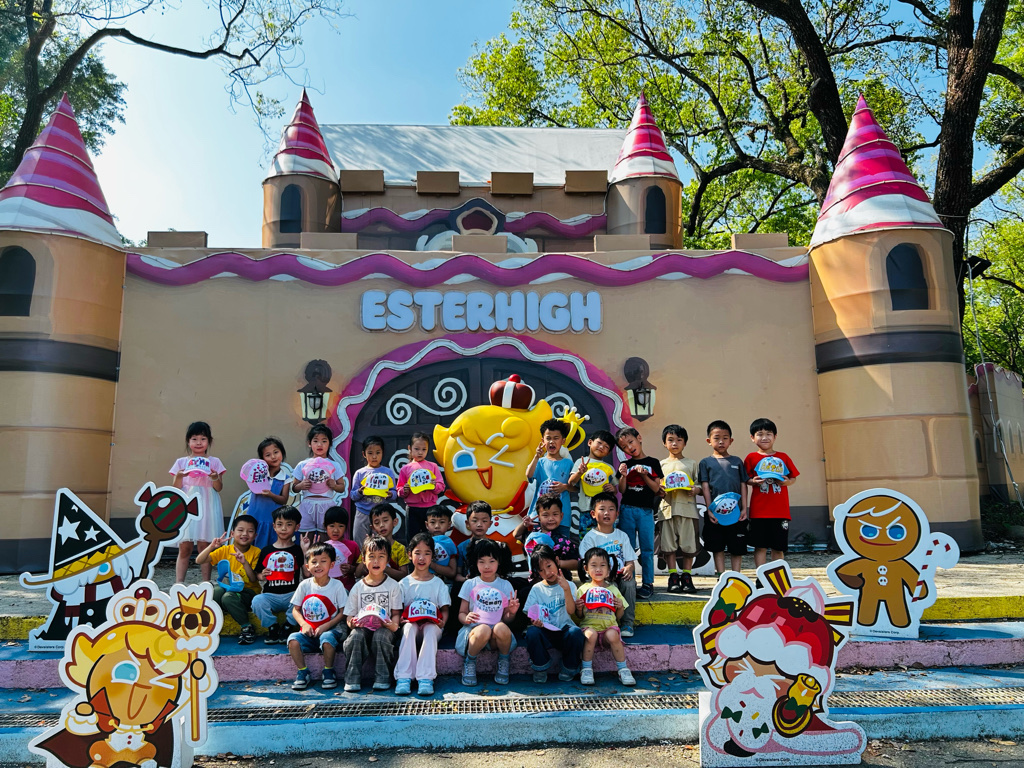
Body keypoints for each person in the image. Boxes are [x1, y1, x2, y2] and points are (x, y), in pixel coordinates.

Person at [342, 534, 403, 692]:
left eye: (381, 556)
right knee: (355, 637)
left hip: (385, 628)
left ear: (387, 559)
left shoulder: (393, 586)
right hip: (363, 628)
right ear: (363, 559)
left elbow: (396, 612)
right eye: (371, 556)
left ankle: (383, 677)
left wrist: (393, 625)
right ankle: (352, 678)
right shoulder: (358, 587)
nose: (376, 561)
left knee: (381, 636)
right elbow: (350, 615)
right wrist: (351, 623)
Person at [457, 538, 519, 687]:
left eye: (491, 561)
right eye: (482, 561)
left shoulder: (505, 585)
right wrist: (466, 618)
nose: (487, 566)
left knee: (501, 627)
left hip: (495, 637)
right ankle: (470, 661)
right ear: (476, 563)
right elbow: (461, 613)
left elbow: (507, 619)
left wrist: (511, 612)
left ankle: (504, 661)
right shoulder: (470, 584)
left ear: (498, 562)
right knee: (483, 629)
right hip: (475, 632)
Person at [169, 421, 227, 583]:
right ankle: (179, 583)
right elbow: (175, 488)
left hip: (208, 504)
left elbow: (218, 488)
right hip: (186, 504)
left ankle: (206, 583)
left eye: (203, 438)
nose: (199, 442)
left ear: (209, 441)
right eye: (194, 439)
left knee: (205, 545)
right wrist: (179, 476)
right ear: (188, 441)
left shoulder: (215, 462)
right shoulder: (181, 462)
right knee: (184, 546)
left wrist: (214, 477)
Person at [287, 543, 349, 691]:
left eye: (323, 561)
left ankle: (328, 670)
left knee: (327, 638)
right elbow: (295, 610)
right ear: (307, 566)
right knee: (293, 640)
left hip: (331, 630)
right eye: (314, 562)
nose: (318, 565)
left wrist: (326, 626)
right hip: (309, 632)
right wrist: (304, 624)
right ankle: (303, 671)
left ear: (332, 564)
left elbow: (343, 612)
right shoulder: (304, 585)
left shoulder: (337, 585)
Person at [395, 533, 451, 697]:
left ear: (432, 557)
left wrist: (442, 622)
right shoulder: (404, 583)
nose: (421, 558)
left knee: (430, 629)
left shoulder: (438, 583)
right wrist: (401, 620)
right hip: (411, 626)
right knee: (409, 628)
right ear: (409, 555)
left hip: (432, 627)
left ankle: (426, 678)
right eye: (417, 553)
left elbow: (445, 609)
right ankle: (404, 677)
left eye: (427, 553)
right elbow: (397, 610)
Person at [579, 493, 639, 637]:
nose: (607, 513)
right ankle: (611, 622)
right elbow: (587, 564)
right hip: (600, 578)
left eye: (611, 509)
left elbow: (630, 560)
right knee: (611, 587)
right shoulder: (590, 538)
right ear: (593, 514)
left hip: (619, 575)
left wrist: (629, 568)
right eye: (602, 509)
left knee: (629, 583)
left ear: (617, 514)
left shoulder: (622, 536)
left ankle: (627, 623)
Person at [523, 544, 584, 683]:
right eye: (541, 570)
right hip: (545, 631)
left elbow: (571, 611)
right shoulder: (537, 589)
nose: (547, 572)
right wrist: (535, 621)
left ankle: (569, 667)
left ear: (556, 561)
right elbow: (531, 614)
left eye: (549, 566)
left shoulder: (570, 585)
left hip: (564, 630)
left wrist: (566, 590)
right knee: (532, 633)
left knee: (576, 633)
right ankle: (540, 667)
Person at [196, 515, 261, 644]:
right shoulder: (225, 550)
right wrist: (212, 546)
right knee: (215, 591)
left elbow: (253, 579)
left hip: (248, 592)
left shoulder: (256, 552)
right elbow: (199, 560)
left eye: (250, 531)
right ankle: (208, 624)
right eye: (240, 530)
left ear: (255, 535)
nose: (245, 534)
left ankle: (247, 627)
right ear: (232, 533)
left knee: (228, 597)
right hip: (228, 589)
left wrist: (244, 562)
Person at [576, 547, 635, 686]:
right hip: (589, 628)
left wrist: (620, 606)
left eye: (602, 565)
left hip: (609, 628)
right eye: (594, 565)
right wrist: (578, 608)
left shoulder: (613, 589)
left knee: (613, 635)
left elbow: (618, 616)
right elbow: (579, 616)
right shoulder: (583, 589)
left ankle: (623, 669)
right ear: (586, 568)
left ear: (608, 569)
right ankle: (586, 669)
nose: (598, 569)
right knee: (590, 635)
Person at [744, 418, 800, 567]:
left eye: (768, 434)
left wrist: (787, 482)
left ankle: (778, 576)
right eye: (760, 434)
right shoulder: (751, 458)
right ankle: (761, 576)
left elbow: (793, 477)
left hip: (780, 511)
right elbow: (745, 479)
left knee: (778, 547)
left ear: (775, 437)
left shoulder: (783, 457)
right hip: (758, 512)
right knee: (760, 546)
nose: (764, 437)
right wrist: (753, 481)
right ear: (752, 437)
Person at [616, 427, 663, 599]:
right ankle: (627, 582)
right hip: (627, 510)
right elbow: (622, 490)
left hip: (646, 511)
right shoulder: (625, 465)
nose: (629, 447)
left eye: (631, 442)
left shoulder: (653, 462)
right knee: (626, 548)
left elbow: (656, 488)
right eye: (624, 447)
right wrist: (623, 475)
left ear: (639, 438)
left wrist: (644, 476)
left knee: (647, 548)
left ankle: (648, 583)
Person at [699, 420, 750, 575]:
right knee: (717, 547)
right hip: (715, 514)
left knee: (737, 547)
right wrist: (709, 510)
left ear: (731, 441)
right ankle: (721, 576)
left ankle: (736, 576)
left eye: (725, 438)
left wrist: (744, 508)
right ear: (708, 441)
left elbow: (743, 484)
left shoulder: (737, 461)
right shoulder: (705, 462)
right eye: (716, 438)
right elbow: (705, 487)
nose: (721, 441)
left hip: (736, 514)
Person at [251, 505, 306, 644]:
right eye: (280, 524)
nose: (284, 528)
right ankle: (272, 626)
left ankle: (288, 626)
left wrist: (305, 552)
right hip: (270, 595)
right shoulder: (266, 550)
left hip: (292, 595)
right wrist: (262, 575)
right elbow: (258, 575)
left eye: (289, 524)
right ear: (274, 526)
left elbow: (306, 575)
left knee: (305, 599)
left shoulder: (298, 550)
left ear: (297, 527)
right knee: (257, 601)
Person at [659, 425, 701, 593]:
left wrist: (695, 490)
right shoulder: (661, 464)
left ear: (685, 443)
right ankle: (673, 576)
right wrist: (660, 489)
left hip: (687, 510)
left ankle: (687, 576)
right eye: (670, 440)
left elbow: (698, 484)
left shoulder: (691, 463)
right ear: (664, 443)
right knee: (668, 545)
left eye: (679, 440)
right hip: (667, 510)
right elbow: (657, 485)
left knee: (688, 545)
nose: (674, 443)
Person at [291, 424, 346, 542]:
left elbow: (342, 487)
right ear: (309, 443)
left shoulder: (334, 465)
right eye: (315, 441)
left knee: (325, 537)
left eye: (324, 441)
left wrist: (334, 486)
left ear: (330, 444)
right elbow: (294, 487)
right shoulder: (302, 464)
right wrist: (301, 486)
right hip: (307, 504)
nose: (319, 445)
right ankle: (306, 554)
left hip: (327, 504)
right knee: (306, 537)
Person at [525, 418, 574, 537]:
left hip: (562, 518)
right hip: (539, 516)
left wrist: (564, 487)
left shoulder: (568, 463)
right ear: (543, 441)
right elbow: (529, 475)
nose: (552, 442)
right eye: (548, 438)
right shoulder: (539, 462)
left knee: (562, 546)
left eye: (556, 438)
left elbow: (576, 487)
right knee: (539, 544)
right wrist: (536, 456)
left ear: (563, 441)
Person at [514, 493, 578, 580]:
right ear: (539, 517)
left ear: (561, 516)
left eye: (555, 514)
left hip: (560, 582)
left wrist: (559, 563)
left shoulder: (564, 541)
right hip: (537, 582)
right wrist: (524, 524)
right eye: (545, 515)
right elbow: (516, 535)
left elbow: (576, 563)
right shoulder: (533, 536)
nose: (551, 518)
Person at [396, 432, 445, 545]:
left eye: (424, 449)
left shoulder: (433, 466)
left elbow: (441, 486)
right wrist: (405, 490)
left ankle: (431, 555)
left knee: (431, 538)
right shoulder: (405, 469)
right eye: (417, 449)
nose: (420, 452)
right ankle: (413, 556)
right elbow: (399, 490)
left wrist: (434, 486)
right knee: (412, 538)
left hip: (430, 508)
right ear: (409, 448)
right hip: (412, 509)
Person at [568, 429, 619, 538]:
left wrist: (612, 489)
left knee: (606, 540)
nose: (601, 447)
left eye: (606, 447)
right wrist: (579, 472)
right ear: (590, 442)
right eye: (599, 443)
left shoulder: (609, 468)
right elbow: (571, 482)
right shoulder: (580, 462)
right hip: (586, 511)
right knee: (586, 540)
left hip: (605, 513)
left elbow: (615, 489)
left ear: (609, 453)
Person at [349, 436, 399, 544]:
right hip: (362, 512)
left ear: (383, 453)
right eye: (370, 453)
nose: (374, 456)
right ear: (364, 454)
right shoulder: (360, 473)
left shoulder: (388, 472)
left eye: (378, 452)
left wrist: (391, 494)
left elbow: (395, 493)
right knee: (360, 542)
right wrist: (360, 492)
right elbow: (352, 496)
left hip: (381, 515)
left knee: (380, 544)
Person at [247, 436, 292, 551]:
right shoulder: (258, 475)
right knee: (251, 548)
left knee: (268, 549)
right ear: (262, 458)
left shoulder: (285, 478)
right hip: (255, 517)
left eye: (276, 452)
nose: (273, 457)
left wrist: (271, 495)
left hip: (271, 520)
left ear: (282, 453)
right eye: (268, 455)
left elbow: (284, 500)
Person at [354, 504, 409, 582]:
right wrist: (367, 550)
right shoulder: (369, 548)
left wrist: (383, 567)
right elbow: (357, 574)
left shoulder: (400, 548)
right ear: (373, 527)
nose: (382, 525)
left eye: (385, 520)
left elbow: (404, 575)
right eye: (377, 523)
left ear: (395, 522)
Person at [455, 501, 493, 584]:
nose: (479, 524)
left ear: (490, 524)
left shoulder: (495, 547)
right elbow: (457, 575)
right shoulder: (461, 547)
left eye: (484, 521)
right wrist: (467, 580)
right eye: (475, 521)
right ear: (467, 523)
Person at [323, 506, 360, 591]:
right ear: (325, 526)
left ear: (346, 527)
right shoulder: (322, 547)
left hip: (347, 588)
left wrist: (351, 569)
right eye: (332, 526)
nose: (336, 530)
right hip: (327, 589)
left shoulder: (353, 545)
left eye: (340, 526)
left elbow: (359, 568)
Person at [425, 505, 457, 582]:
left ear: (449, 525)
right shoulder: (422, 543)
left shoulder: (450, 544)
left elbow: (452, 572)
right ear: (427, 525)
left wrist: (430, 564)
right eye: (432, 522)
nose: (437, 526)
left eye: (442, 522)